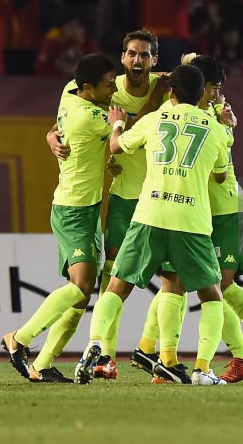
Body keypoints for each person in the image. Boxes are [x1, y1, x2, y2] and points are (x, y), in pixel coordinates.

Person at [74, 64, 230, 386]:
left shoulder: (154, 118)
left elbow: (116, 146)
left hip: (149, 215)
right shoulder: (215, 129)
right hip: (191, 222)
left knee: (117, 286)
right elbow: (221, 175)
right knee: (211, 296)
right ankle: (202, 369)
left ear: (171, 93)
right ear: (201, 94)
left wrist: (117, 124)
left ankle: (96, 343)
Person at [135, 55, 243, 384]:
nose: (216, 93)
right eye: (212, 87)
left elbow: (218, 173)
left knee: (219, 287)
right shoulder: (207, 115)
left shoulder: (214, 117)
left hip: (227, 209)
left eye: (217, 88)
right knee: (179, 284)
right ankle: (164, 356)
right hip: (200, 213)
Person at [45, 28, 169, 379]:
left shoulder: (169, 86)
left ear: (154, 60)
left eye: (144, 55)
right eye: (131, 53)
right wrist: (51, 135)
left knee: (172, 280)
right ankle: (103, 355)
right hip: (122, 199)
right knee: (109, 279)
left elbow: (200, 84)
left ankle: (156, 353)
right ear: (123, 57)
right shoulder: (106, 90)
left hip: (159, 199)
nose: (137, 60)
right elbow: (72, 119)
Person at [2, 53, 121, 383]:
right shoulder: (91, 120)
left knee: (82, 294)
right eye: (108, 85)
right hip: (74, 210)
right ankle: (20, 338)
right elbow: (124, 138)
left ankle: (42, 364)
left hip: (86, 208)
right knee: (81, 286)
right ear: (89, 88)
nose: (113, 90)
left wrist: (50, 135)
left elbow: (56, 126)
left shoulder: (69, 90)